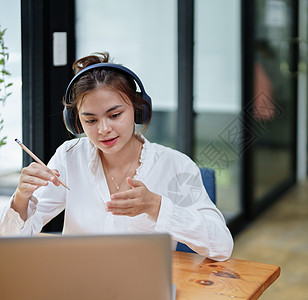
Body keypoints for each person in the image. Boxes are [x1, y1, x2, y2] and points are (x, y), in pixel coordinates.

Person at [0, 52, 233, 261]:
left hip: (144, 287)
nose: (103, 129)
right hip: (79, 285)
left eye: (115, 115)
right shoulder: (69, 158)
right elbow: (10, 243)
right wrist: (22, 198)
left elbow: (222, 246)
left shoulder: (175, 165)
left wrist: (157, 206)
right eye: (90, 120)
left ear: (138, 109)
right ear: (76, 122)